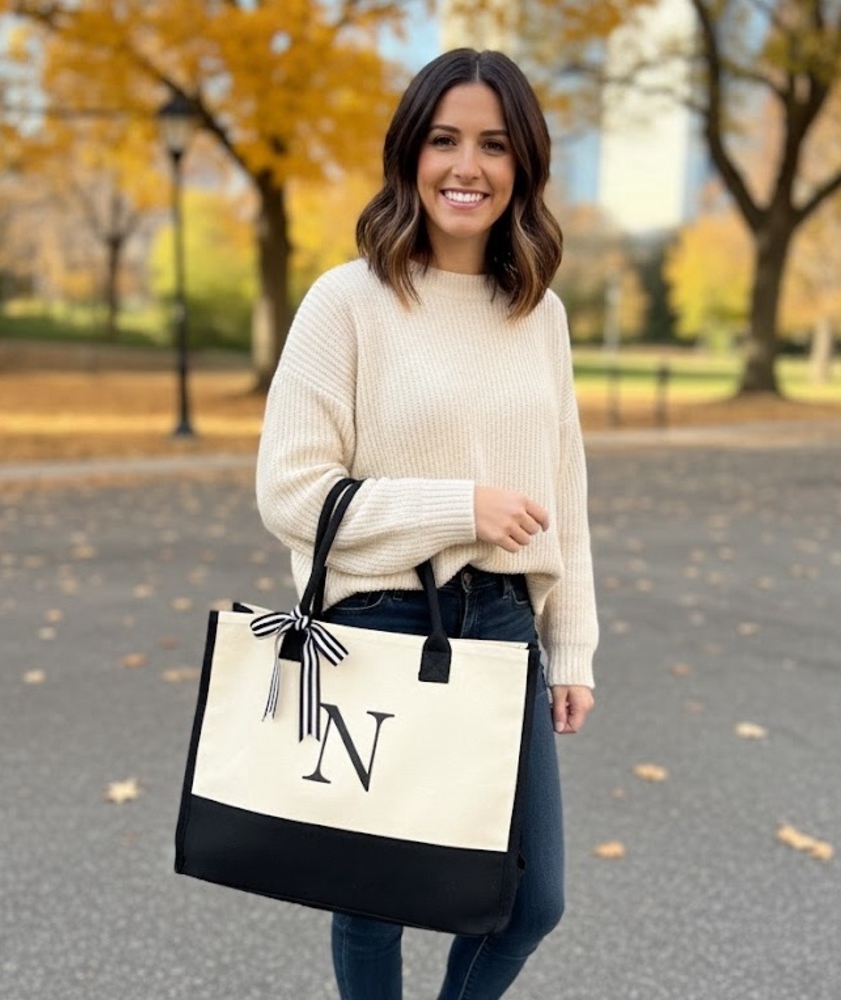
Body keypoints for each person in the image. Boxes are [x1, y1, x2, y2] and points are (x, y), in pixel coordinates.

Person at [256, 47, 599, 1000]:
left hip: (502, 628)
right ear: (409, 153)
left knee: (530, 900)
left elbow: (564, 490)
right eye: (444, 139)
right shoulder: (347, 302)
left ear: (522, 166)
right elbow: (289, 491)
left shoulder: (541, 315)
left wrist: (571, 647)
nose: (467, 166)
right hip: (378, 622)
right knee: (374, 897)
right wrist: (460, 505)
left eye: (494, 145)